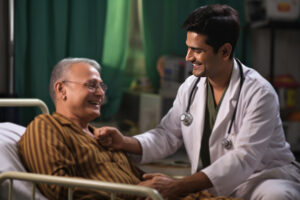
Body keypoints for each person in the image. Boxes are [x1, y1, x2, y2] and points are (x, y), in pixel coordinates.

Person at [96, 4, 300, 200]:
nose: (188, 57)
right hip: (212, 183)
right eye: (188, 48)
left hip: (262, 179)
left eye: (197, 51)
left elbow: (243, 158)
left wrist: (177, 187)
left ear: (225, 51)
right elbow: (166, 135)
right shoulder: (190, 87)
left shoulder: (259, 93)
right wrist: (125, 141)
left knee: (277, 196)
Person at [17, 58, 144, 200]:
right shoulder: (45, 127)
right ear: (61, 89)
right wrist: (138, 194)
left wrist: (158, 183)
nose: (101, 93)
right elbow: (58, 187)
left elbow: (138, 178)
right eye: (91, 85)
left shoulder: (104, 136)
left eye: (102, 86)